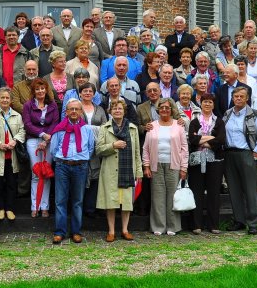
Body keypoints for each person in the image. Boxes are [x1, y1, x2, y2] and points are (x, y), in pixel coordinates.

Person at [222, 87, 257, 235]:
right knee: (234, 190)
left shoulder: (254, 115)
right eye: (236, 96)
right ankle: (239, 220)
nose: (239, 99)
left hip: (246, 154)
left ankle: (253, 223)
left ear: (247, 98)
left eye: (242, 96)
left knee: (249, 190)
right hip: (229, 154)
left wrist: (255, 155)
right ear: (232, 98)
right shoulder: (227, 114)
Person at [96, 100, 142, 242]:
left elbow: (136, 153)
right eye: (114, 108)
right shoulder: (104, 128)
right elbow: (98, 150)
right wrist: (113, 145)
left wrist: (139, 172)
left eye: (120, 108)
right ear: (110, 111)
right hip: (110, 170)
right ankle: (111, 231)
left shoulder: (132, 128)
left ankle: (125, 230)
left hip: (127, 169)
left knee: (126, 202)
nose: (117, 111)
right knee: (111, 201)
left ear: (124, 111)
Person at [50, 99, 95, 244]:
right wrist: (63, 159)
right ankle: (59, 232)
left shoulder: (87, 129)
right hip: (62, 166)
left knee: (77, 200)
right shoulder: (59, 128)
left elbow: (90, 148)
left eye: (77, 109)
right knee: (60, 200)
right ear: (66, 112)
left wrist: (80, 158)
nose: (74, 111)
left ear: (81, 112)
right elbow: (53, 149)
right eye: (71, 109)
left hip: (80, 167)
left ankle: (76, 231)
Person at [142, 98, 189, 236]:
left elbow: (184, 148)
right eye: (161, 108)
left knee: (172, 196)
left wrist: (183, 168)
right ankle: (158, 226)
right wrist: (146, 166)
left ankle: (172, 227)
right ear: (158, 110)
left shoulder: (178, 126)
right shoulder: (152, 126)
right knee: (157, 196)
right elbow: (145, 148)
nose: (164, 110)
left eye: (167, 108)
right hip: (156, 165)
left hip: (174, 165)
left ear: (172, 109)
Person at [0, 88, 26, 221]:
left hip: (12, 156)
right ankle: (0, 209)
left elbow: (22, 131)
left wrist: (15, 141)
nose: (5, 100)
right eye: (2, 98)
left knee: (12, 183)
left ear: (11, 100)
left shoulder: (17, 116)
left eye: (7, 98)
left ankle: (10, 208)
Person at [188, 93, 226, 234]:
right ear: (201, 103)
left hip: (214, 161)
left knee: (213, 193)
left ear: (213, 104)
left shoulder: (219, 121)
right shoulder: (194, 121)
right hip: (197, 161)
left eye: (210, 102)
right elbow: (192, 140)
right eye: (205, 102)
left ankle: (213, 225)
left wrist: (202, 140)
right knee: (196, 192)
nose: (207, 104)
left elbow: (221, 139)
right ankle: (196, 225)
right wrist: (211, 139)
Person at [22, 79, 60, 217]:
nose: (40, 91)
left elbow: (55, 122)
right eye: (37, 89)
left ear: (46, 90)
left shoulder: (53, 105)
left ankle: (45, 207)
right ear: (34, 91)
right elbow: (27, 123)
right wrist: (42, 134)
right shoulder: (28, 105)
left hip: (49, 140)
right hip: (33, 140)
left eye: (42, 89)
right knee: (36, 174)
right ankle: (35, 206)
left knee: (46, 173)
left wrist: (47, 137)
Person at [78, 83, 108, 218]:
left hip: (96, 148)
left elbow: (105, 127)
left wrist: (89, 130)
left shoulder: (100, 109)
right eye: (85, 91)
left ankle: (90, 208)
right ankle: (79, 207)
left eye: (90, 91)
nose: (87, 93)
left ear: (94, 94)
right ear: (80, 93)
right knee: (81, 176)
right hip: (79, 147)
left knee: (95, 176)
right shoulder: (75, 107)